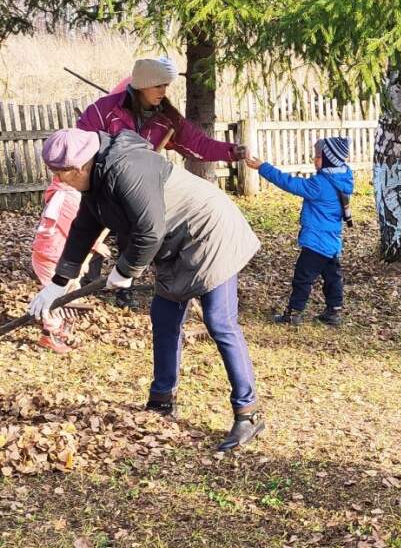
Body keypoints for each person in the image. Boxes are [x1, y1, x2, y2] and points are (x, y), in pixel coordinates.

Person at [27, 128, 263, 450]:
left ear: (79, 167)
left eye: (60, 174)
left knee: (220, 322)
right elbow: (84, 227)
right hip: (174, 243)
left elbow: (149, 231)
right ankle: (162, 400)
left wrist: (124, 272)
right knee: (164, 318)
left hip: (209, 232)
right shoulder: (96, 179)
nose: (59, 180)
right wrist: (56, 284)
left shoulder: (125, 168)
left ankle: (247, 413)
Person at [250, 136, 354, 326]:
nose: (314, 160)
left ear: (329, 159)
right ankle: (334, 311)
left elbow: (290, 183)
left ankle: (293, 313)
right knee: (332, 277)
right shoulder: (344, 177)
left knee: (302, 277)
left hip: (316, 241)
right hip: (332, 240)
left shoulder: (320, 184)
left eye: (318, 157)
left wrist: (262, 167)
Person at [76, 56, 249, 167]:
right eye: (158, 86)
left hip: (141, 186)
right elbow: (81, 143)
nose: (163, 91)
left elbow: (198, 144)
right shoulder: (104, 110)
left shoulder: (167, 118)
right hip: (104, 186)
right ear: (142, 86)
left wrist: (232, 151)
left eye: (165, 86)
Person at [28, 175, 108, 353]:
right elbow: (77, 226)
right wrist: (96, 244)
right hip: (50, 254)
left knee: (71, 293)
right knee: (55, 296)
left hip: (62, 254)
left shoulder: (67, 193)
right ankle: (50, 334)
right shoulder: (68, 197)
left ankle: (64, 328)